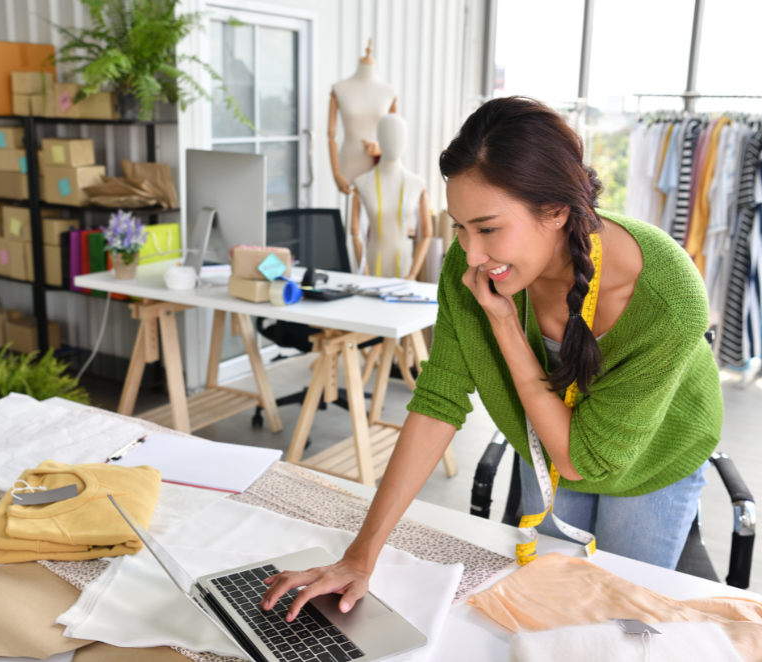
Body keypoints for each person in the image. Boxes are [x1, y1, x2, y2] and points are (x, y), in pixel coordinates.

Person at [261, 96, 723, 622]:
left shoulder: (666, 297)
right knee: (550, 611)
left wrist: (506, 326)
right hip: (548, 446)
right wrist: (360, 556)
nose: (469, 253)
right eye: (458, 227)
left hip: (651, 462)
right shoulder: (476, 263)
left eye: (486, 228)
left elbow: (582, 460)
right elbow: (438, 401)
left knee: (624, 625)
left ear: (556, 211)